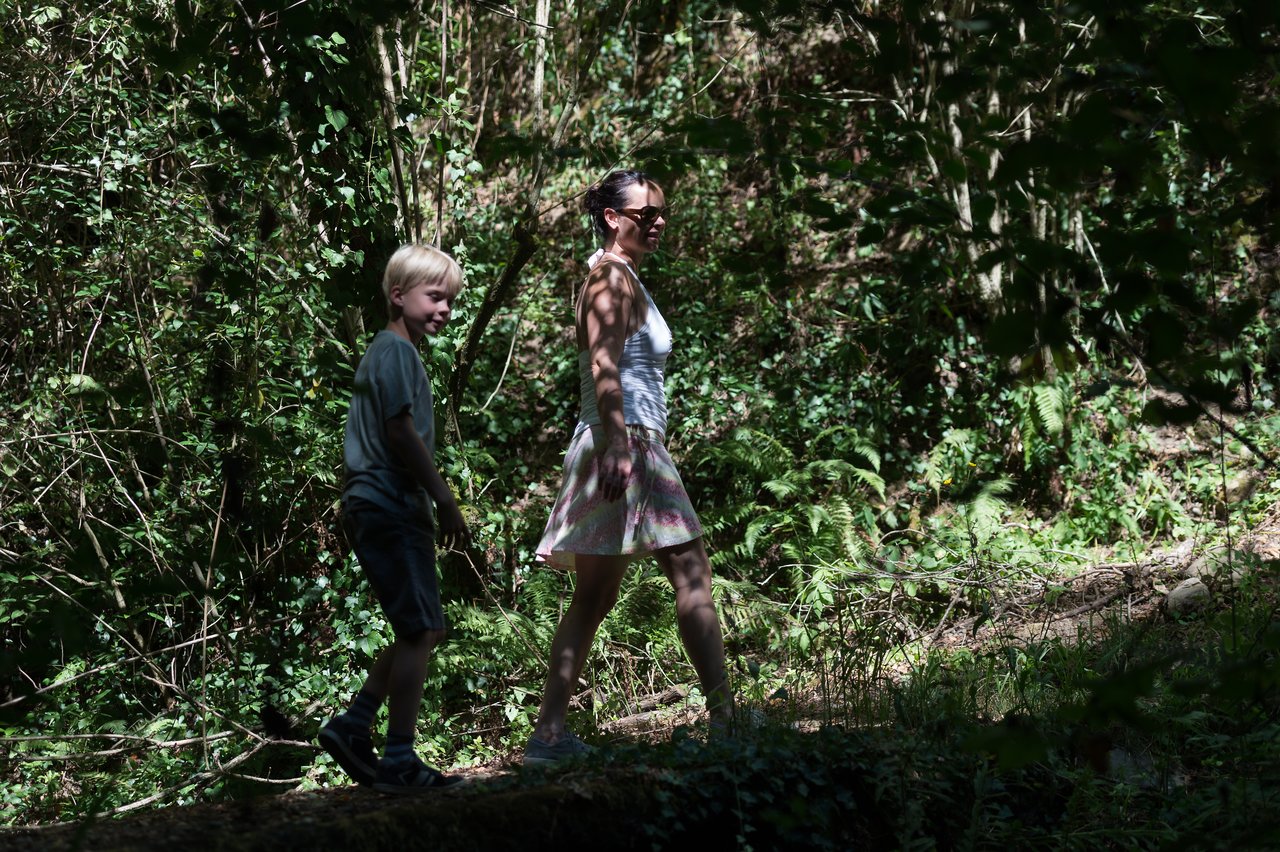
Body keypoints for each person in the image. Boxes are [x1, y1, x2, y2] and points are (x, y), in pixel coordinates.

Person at [524, 169, 735, 764]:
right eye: (646, 215)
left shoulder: (617, 276)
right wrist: (619, 444)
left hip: (618, 441)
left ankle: (548, 736)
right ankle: (726, 722)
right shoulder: (610, 279)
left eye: (662, 213)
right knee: (691, 571)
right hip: (626, 443)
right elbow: (602, 365)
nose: (658, 222)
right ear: (614, 218)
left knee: (593, 597)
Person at [318, 243, 471, 793]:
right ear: (398, 295)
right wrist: (445, 499)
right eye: (435, 297)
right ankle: (399, 757)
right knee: (422, 629)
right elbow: (400, 432)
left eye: (450, 301)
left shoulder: (387, 351)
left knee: (418, 628)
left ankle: (354, 723)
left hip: (374, 500)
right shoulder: (398, 353)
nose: (444, 310)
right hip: (390, 499)